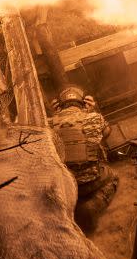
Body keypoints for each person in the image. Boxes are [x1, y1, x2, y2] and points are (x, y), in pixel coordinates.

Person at [48, 85, 118, 234]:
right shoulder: (93, 117)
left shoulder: (49, 123)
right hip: (91, 182)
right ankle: (93, 207)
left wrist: (54, 114)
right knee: (114, 177)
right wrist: (93, 110)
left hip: (66, 187)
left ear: (58, 105)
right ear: (84, 102)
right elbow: (106, 132)